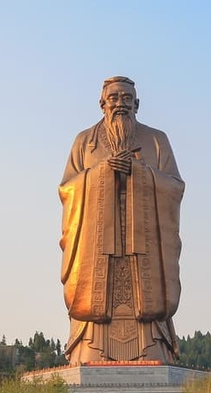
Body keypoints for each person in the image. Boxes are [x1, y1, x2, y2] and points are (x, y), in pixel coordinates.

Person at [58, 76, 185, 364]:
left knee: (147, 309)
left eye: (127, 98)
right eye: (114, 98)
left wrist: (140, 172)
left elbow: (175, 187)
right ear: (102, 104)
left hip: (144, 250)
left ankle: (153, 345)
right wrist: (102, 173)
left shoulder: (156, 140)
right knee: (94, 321)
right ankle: (90, 346)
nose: (120, 103)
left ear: (137, 104)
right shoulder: (84, 142)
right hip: (98, 247)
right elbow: (67, 189)